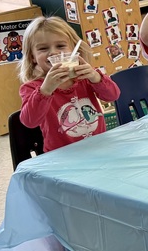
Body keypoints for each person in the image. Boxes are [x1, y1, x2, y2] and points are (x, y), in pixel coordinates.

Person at [18, 16, 121, 151]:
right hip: (62, 157)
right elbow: (29, 122)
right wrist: (45, 91)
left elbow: (113, 96)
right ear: (33, 57)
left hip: (98, 148)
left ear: (74, 50)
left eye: (60, 46)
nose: (53, 52)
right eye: (43, 48)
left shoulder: (84, 77)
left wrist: (96, 77)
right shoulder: (32, 88)